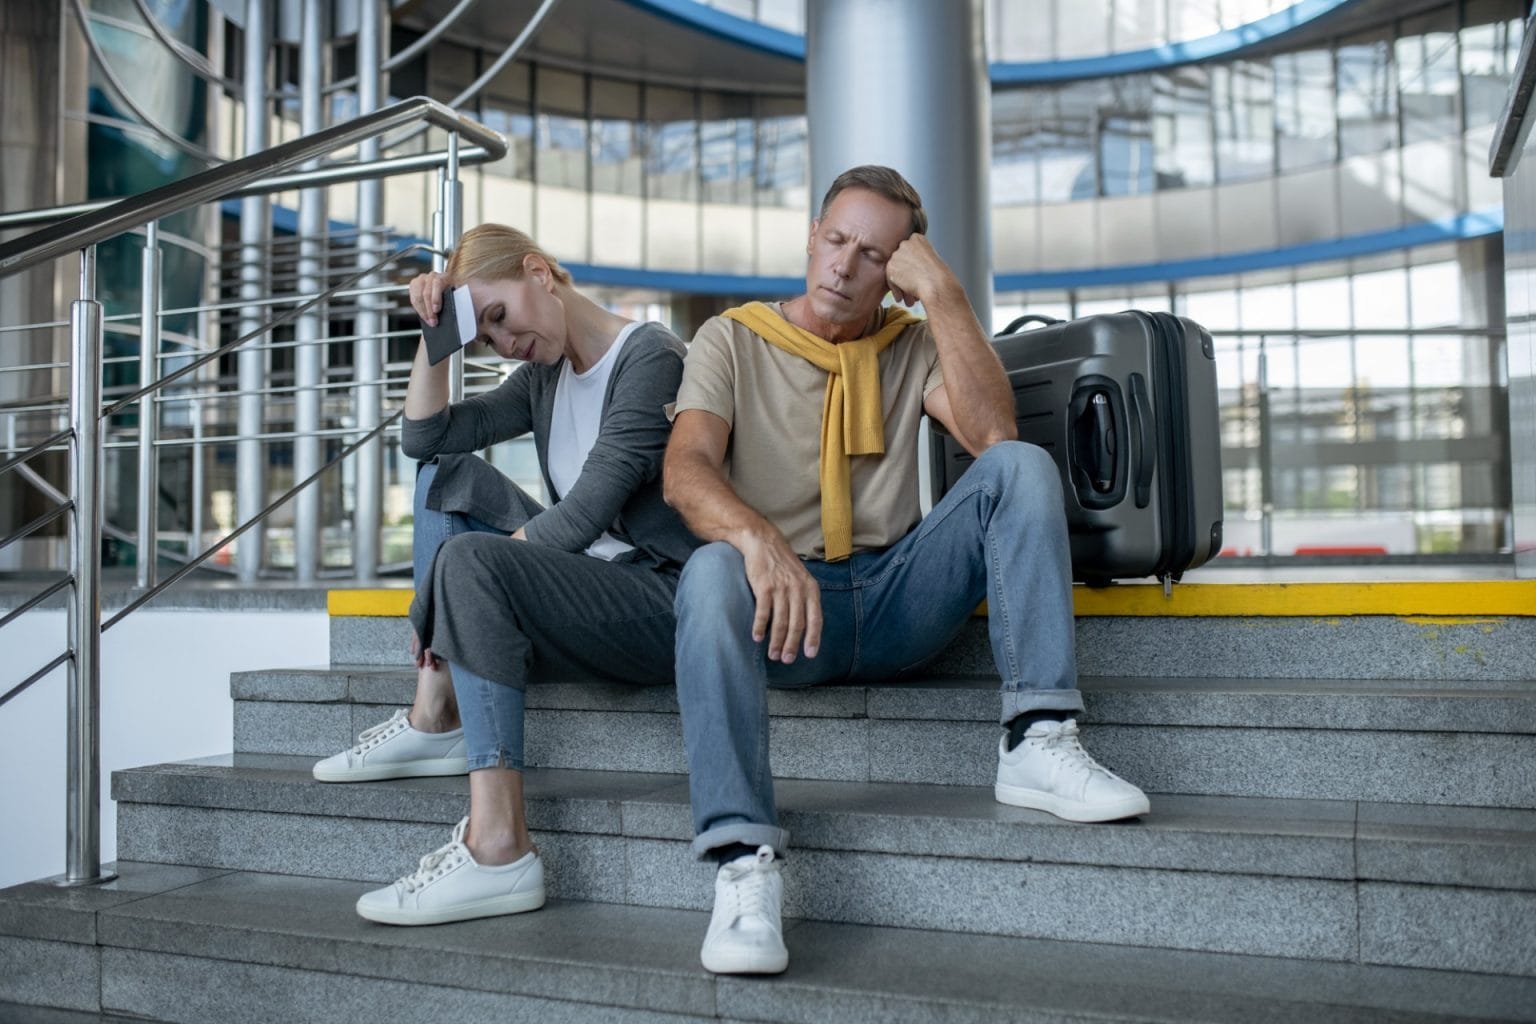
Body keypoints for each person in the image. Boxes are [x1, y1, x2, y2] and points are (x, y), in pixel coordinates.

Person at [662, 165, 1150, 975]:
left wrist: (947, 299)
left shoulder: (914, 341)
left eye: (874, 253)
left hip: (896, 596)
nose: (846, 266)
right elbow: (685, 472)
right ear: (811, 238)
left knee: (1022, 468)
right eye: (836, 240)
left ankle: (1036, 738)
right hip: (788, 618)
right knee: (712, 570)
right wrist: (759, 541)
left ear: (899, 269)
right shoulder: (732, 339)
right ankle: (742, 864)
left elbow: (994, 440)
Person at [311, 223, 696, 925]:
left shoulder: (652, 359)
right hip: (585, 585)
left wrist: (447, 593)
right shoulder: (545, 377)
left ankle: (499, 848)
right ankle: (436, 712)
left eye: (499, 315)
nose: (501, 339)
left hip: (663, 599)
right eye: (483, 334)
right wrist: (436, 334)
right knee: (444, 478)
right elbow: (424, 439)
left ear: (540, 273)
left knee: (471, 563)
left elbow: (582, 517)